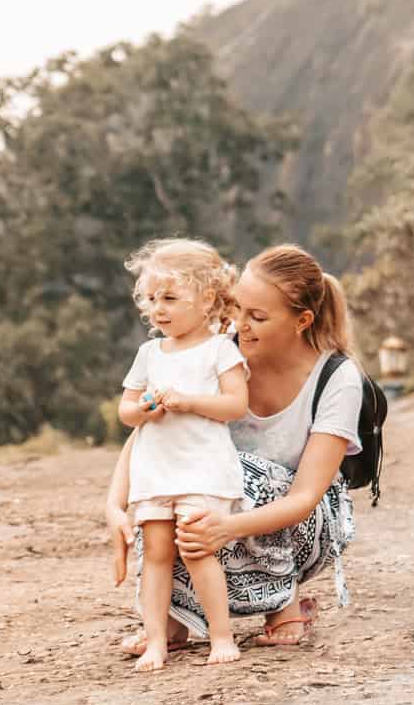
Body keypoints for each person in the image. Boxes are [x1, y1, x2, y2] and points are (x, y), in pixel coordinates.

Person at [106, 243, 361, 653]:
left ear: (303, 320)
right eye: (237, 308)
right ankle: (174, 618)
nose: (239, 324)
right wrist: (116, 507)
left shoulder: (338, 378)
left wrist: (225, 527)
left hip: (303, 519)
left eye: (257, 317)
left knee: (239, 475)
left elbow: (304, 497)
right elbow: (153, 435)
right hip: (214, 491)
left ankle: (285, 604)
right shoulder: (216, 347)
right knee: (172, 497)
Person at [117, 238, 251, 672]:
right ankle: (156, 639)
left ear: (207, 299)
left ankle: (221, 634)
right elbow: (126, 411)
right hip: (155, 471)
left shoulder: (219, 350)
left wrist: (190, 401)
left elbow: (235, 406)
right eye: (152, 298)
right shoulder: (149, 353)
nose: (159, 309)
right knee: (155, 552)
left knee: (196, 552)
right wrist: (143, 410)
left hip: (201, 471)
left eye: (171, 298)